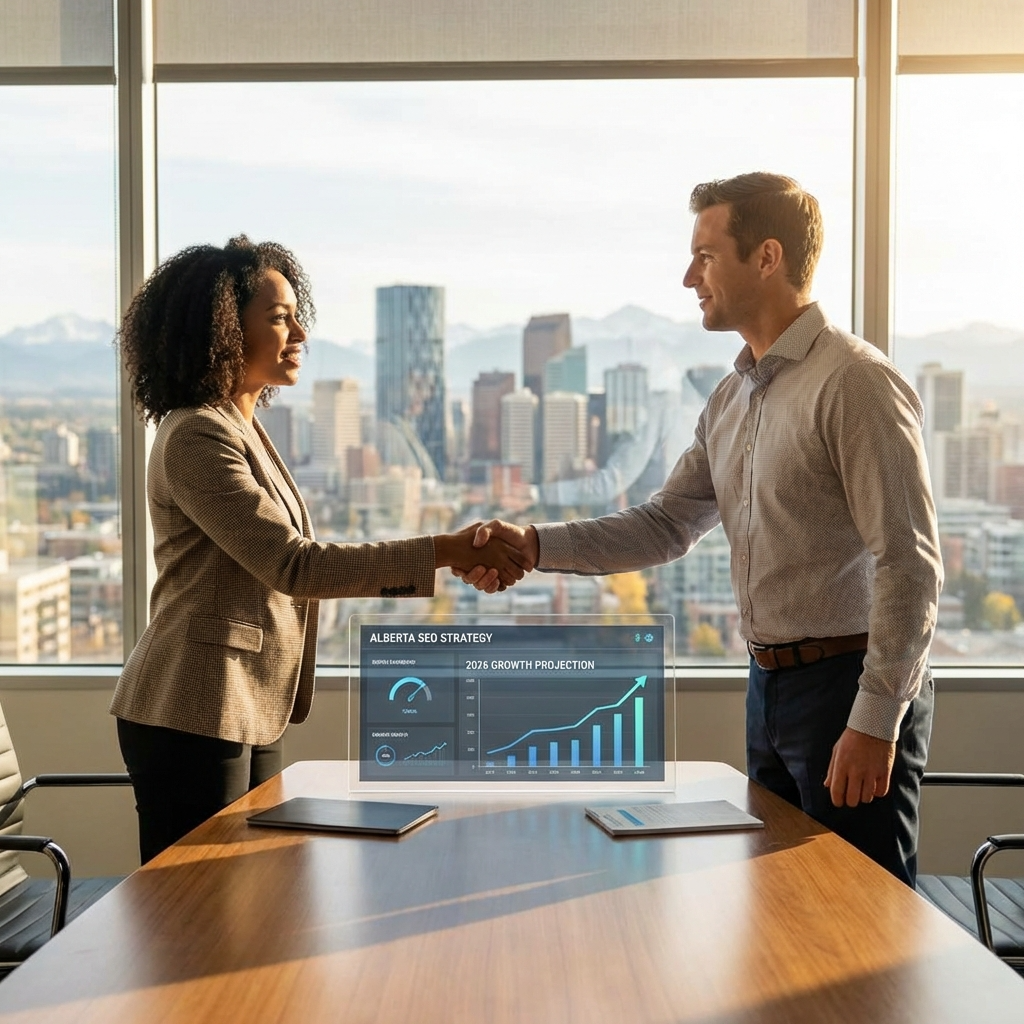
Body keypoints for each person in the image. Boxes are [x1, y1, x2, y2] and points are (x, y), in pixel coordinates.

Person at [457, 173, 942, 886]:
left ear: (767, 257)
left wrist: (875, 720)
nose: (689, 277)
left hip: (847, 689)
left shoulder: (854, 383)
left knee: (862, 923)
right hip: (770, 689)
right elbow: (667, 523)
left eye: (706, 256)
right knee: (780, 915)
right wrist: (534, 546)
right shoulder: (731, 397)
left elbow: (910, 562)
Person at [111, 236, 526, 863]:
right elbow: (294, 565)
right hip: (191, 706)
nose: (299, 331)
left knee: (255, 892)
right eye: (279, 317)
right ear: (223, 327)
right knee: (193, 909)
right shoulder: (197, 434)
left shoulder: (238, 425)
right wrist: (444, 548)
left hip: (249, 701)